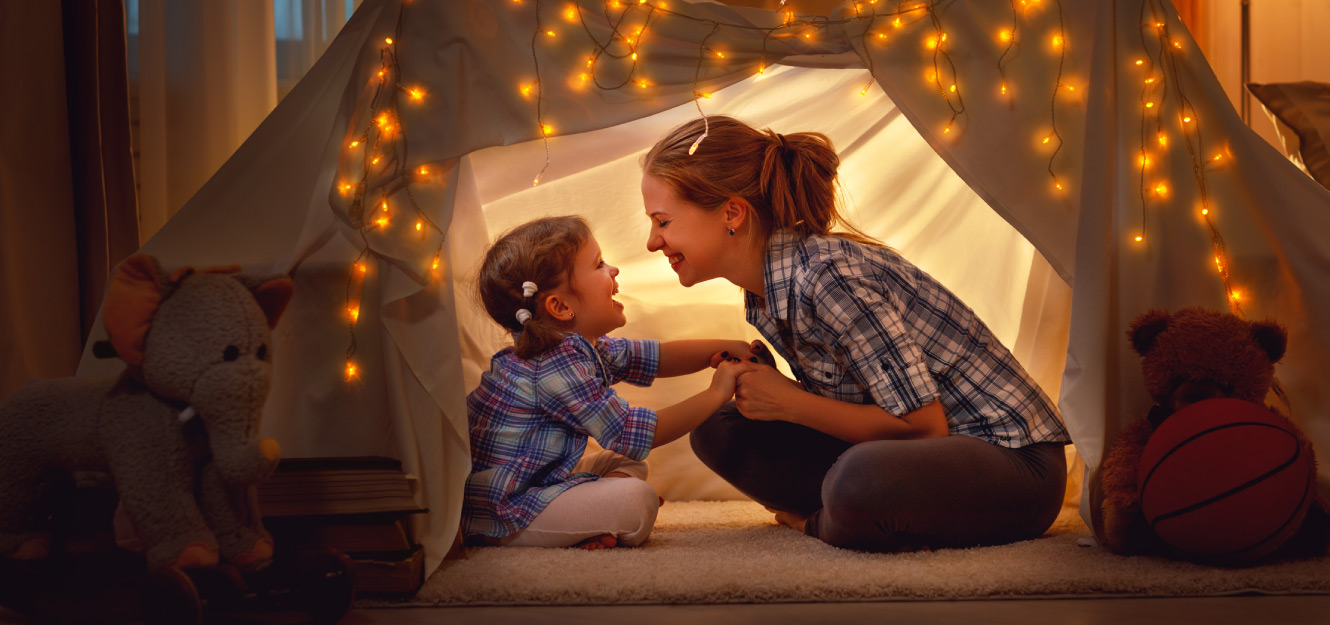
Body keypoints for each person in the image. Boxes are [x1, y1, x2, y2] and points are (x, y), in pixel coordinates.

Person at [640, 116, 1071, 553]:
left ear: (731, 213)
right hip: (916, 458)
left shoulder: (829, 279)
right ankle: (855, 513)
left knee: (860, 479)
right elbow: (862, 405)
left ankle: (824, 522)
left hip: (1013, 465)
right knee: (718, 427)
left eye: (662, 221)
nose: (652, 243)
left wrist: (790, 402)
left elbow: (924, 429)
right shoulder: (766, 292)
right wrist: (775, 394)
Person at [463, 215, 759, 550]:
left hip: (537, 481)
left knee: (624, 464)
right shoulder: (551, 365)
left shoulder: (577, 348)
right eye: (599, 264)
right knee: (637, 501)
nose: (613, 270)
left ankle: (590, 520)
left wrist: (720, 348)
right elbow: (631, 433)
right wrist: (717, 393)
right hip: (505, 508)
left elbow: (654, 357)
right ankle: (590, 518)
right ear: (560, 307)